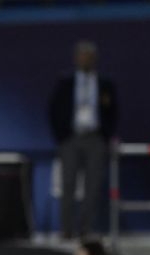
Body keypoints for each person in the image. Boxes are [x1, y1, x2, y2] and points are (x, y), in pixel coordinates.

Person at [48, 40, 118, 241]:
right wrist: (61, 137)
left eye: (89, 56)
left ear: (95, 59)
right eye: (82, 56)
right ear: (76, 58)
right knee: (68, 184)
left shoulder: (105, 84)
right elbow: (54, 110)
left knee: (92, 187)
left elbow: (113, 112)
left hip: (95, 139)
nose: (85, 60)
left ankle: (85, 229)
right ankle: (66, 229)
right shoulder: (65, 83)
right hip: (71, 139)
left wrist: (106, 136)